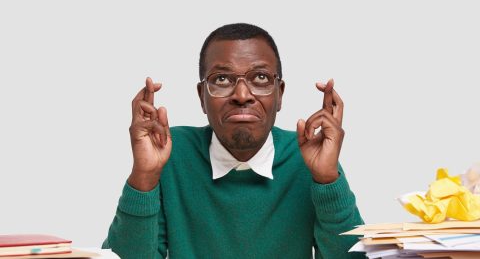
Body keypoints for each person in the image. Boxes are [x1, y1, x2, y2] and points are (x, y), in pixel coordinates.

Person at [102, 23, 365, 259]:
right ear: (201, 96)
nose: (241, 95)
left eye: (260, 78)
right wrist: (144, 176)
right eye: (222, 79)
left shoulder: (309, 159)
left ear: (280, 94)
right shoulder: (168, 153)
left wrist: (328, 180)